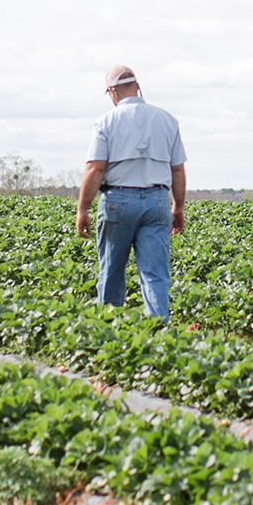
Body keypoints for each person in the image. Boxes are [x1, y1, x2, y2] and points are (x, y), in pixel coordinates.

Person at [76, 64, 187, 321]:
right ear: (137, 86)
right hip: (157, 201)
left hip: (118, 201)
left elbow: (95, 169)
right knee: (155, 273)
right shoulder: (167, 120)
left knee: (112, 269)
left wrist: (83, 209)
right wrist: (178, 207)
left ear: (111, 91)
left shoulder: (106, 122)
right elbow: (178, 170)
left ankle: (110, 329)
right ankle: (159, 334)